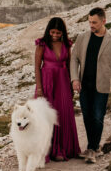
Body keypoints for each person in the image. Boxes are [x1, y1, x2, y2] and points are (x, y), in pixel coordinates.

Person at [70, 7, 111, 163]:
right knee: (87, 117)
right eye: (89, 22)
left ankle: (92, 149)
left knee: (98, 117)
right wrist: (75, 78)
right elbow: (74, 59)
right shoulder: (82, 37)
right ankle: (94, 148)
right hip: (84, 86)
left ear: (103, 21)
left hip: (101, 87)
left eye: (94, 22)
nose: (91, 25)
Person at [33, 17, 81, 161]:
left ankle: (63, 149)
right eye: (52, 32)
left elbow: (70, 64)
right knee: (46, 116)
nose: (55, 35)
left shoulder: (67, 44)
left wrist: (73, 83)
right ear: (49, 30)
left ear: (62, 33)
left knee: (63, 114)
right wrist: (39, 88)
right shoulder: (42, 44)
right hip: (47, 81)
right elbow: (36, 67)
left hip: (63, 82)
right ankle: (47, 150)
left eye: (58, 33)